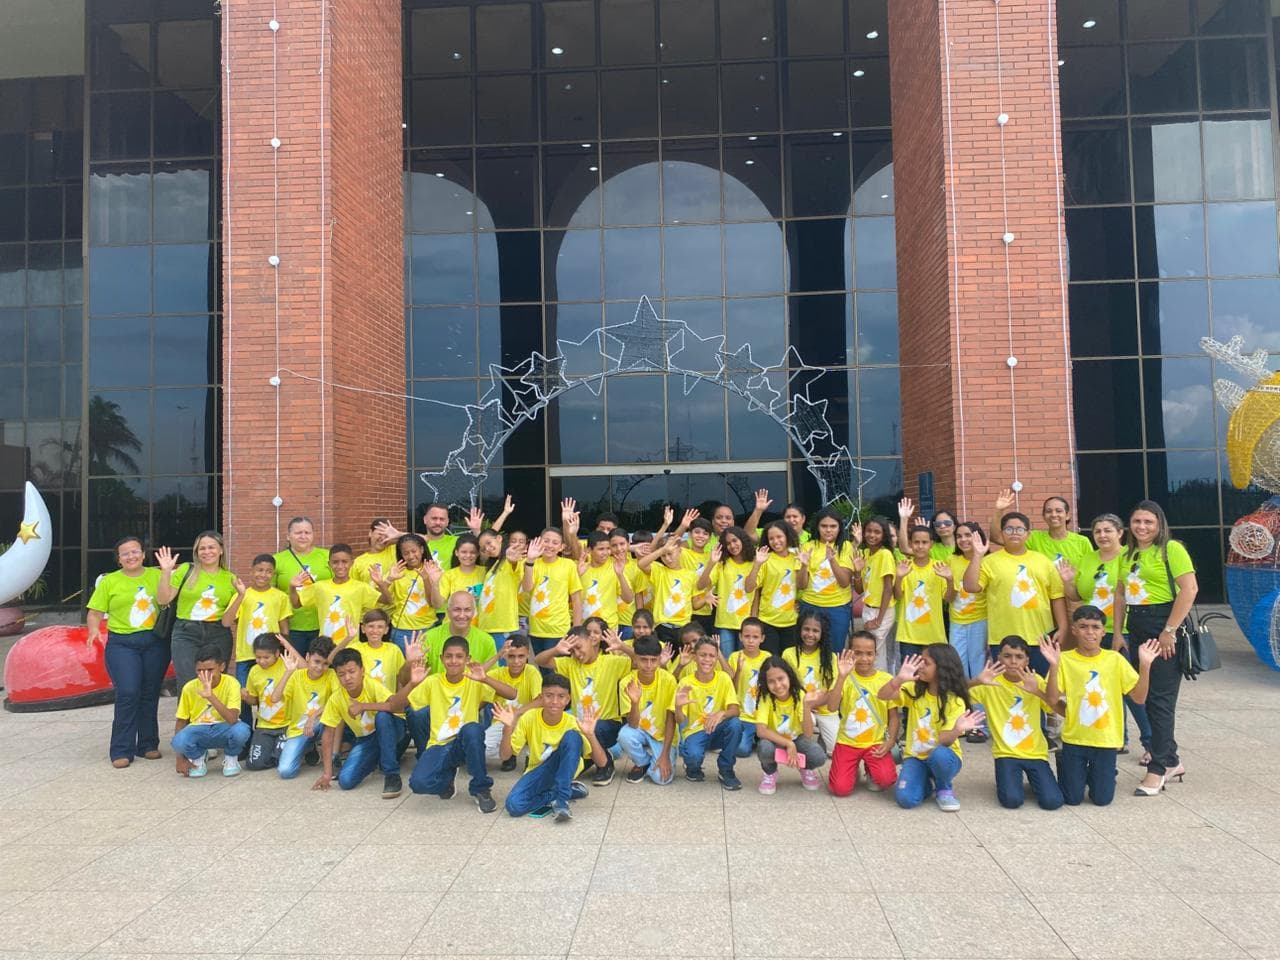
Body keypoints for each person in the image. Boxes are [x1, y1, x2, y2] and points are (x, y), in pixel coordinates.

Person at [1058, 513, 1153, 761]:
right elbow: (1077, 595)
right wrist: (1068, 582)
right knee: (1107, 688)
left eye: (1108, 530)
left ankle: (1151, 743)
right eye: (1098, 531)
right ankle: (1119, 738)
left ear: (1120, 533)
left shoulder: (1129, 557)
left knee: (1130, 691)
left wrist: (1120, 633)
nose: (1102, 535)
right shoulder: (1087, 559)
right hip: (1094, 632)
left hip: (1124, 631)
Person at [1118, 501, 1196, 796]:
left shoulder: (1172, 549)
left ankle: (1158, 767)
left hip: (1162, 625)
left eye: (1148, 522)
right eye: (1137, 521)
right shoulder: (1129, 554)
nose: (1142, 527)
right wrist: (1120, 632)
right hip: (1137, 627)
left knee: (1160, 700)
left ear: (1159, 524)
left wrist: (1169, 631)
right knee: (1146, 696)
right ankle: (1172, 759)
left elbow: (1189, 590)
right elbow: (1121, 593)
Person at [1042, 607, 1158, 805]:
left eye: (1095, 627)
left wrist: (1145, 666)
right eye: (1083, 627)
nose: (1090, 632)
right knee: (1072, 799)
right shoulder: (1065, 660)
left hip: (1105, 740)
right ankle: (1069, 766)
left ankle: (1100, 772)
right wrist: (1054, 666)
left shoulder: (1115, 659)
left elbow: (1139, 698)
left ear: (1104, 631)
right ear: (1074, 630)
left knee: (1102, 799)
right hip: (1075, 739)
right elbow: (1052, 699)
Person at [406, 636, 517, 814]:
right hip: (439, 744)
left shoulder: (474, 681)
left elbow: (512, 694)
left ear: (467, 659)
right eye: (449, 656)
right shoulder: (433, 681)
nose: (454, 661)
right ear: (442, 659)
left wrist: (485, 679)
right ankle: (447, 778)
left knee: (472, 729)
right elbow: (401, 704)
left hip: (466, 741)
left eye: (459, 656)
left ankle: (481, 789)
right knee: (418, 784)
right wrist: (412, 682)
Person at [86, 536, 169, 768]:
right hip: (122, 643)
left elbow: (167, 600)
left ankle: (148, 744)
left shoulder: (156, 574)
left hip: (155, 642)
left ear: (143, 554)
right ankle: (121, 749)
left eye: (135, 552)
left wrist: (166, 572)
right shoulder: (110, 581)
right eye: (125, 553)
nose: (131, 556)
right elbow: (94, 612)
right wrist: (93, 630)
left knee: (150, 692)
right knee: (128, 691)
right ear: (119, 559)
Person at [877, 645, 982, 811]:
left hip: (945, 756)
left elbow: (945, 741)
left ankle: (944, 787)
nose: (920, 666)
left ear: (942, 668)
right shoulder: (914, 688)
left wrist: (957, 730)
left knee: (939, 755)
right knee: (905, 799)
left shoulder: (955, 701)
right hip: (916, 757)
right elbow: (882, 695)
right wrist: (898, 680)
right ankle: (927, 783)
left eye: (926, 663)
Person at [962, 512, 1067, 675]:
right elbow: (970, 586)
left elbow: (1057, 596)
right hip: (1003, 641)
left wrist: (1063, 627)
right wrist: (977, 555)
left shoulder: (1043, 561)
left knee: (1040, 688)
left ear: (1028, 534)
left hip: (1040, 638)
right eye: (1009, 529)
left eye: (1019, 529)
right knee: (1007, 693)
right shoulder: (989, 561)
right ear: (1002, 533)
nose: (1014, 533)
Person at [968, 637, 1063, 810]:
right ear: (999, 658)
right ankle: (1013, 781)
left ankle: (1035, 781)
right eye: (1007, 656)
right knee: (1012, 800)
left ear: (1027, 660)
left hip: (1036, 754)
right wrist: (976, 681)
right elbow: (952, 694)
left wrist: (1038, 691)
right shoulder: (990, 682)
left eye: (1019, 657)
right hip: (1006, 754)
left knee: (1052, 802)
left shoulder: (1036, 681)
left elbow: (1060, 710)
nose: (1013, 661)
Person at [498, 675, 607, 822]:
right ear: (541, 697)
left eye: (561, 696)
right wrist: (507, 728)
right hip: (538, 771)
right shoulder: (529, 717)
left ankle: (562, 801)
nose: (554, 701)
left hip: (564, 768)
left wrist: (590, 734)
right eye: (549, 696)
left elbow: (601, 763)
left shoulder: (572, 722)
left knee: (573, 736)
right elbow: (505, 756)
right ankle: (561, 792)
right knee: (514, 806)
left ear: (568, 699)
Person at [313, 646, 418, 798]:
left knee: (382, 716)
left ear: (362, 670)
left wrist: (364, 706)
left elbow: (396, 706)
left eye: (352, 671)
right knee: (345, 781)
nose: (347, 678)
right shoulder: (336, 698)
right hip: (367, 739)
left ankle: (392, 775)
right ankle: (380, 757)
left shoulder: (371, 685)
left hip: (394, 729)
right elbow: (328, 734)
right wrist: (327, 774)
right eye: (341, 674)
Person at [534, 626, 634, 785]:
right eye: (572, 651)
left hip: (607, 723)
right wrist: (556, 650)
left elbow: (640, 661)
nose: (577, 654)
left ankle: (605, 764)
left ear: (592, 640)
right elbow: (539, 660)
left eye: (579, 648)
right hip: (578, 723)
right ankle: (584, 758)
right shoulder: (569, 663)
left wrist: (622, 647)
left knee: (593, 730)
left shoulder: (611, 662)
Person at [156, 532, 237, 692]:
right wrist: (166, 572)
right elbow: (163, 599)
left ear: (221, 550)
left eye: (211, 547)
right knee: (188, 684)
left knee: (216, 683)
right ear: (197, 552)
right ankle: (187, 718)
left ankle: (212, 718)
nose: (207, 552)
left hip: (218, 633)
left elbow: (230, 618)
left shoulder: (230, 578)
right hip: (186, 633)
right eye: (202, 548)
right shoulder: (187, 569)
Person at [824, 631, 898, 796]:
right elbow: (831, 707)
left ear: (876, 654)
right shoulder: (844, 677)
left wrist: (890, 741)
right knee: (840, 790)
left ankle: (871, 770)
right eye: (858, 653)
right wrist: (842, 677)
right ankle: (852, 770)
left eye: (869, 654)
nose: (864, 659)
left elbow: (893, 716)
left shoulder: (886, 679)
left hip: (875, 743)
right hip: (847, 742)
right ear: (850, 652)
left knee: (887, 780)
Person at [675, 636, 744, 790]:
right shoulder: (685, 682)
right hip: (695, 731)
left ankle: (726, 768)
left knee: (735, 724)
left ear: (717, 658)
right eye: (703, 655)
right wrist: (678, 707)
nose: (707, 659)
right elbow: (680, 720)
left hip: (717, 728)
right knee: (693, 756)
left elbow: (735, 709)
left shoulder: (724, 678)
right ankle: (692, 767)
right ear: (694, 657)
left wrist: (721, 714)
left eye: (712, 655)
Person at [171, 644, 251, 778]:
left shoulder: (232, 683)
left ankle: (231, 758)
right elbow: (181, 721)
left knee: (241, 731)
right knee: (178, 741)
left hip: (224, 727)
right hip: (199, 728)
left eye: (210, 670)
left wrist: (210, 696)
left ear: (222, 667)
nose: (205, 675)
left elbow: (232, 719)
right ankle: (198, 757)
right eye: (200, 671)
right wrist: (180, 758)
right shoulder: (189, 687)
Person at [291, 543, 387, 649]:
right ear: (329, 564)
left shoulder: (360, 587)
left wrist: (381, 583)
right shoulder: (320, 587)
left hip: (351, 645)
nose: (340, 566)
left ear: (352, 563)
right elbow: (296, 604)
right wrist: (292, 587)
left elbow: (387, 600)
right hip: (325, 647)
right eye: (335, 562)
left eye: (344, 562)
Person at [753, 655, 826, 794]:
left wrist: (806, 706)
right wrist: (788, 744)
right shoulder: (765, 697)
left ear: (789, 676)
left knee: (818, 756)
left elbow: (808, 734)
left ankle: (805, 768)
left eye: (781, 678)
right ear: (766, 683)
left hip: (796, 739)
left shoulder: (799, 694)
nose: (778, 685)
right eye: (771, 681)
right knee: (764, 747)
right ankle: (770, 772)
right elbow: (761, 731)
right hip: (774, 740)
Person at [222, 553, 293, 687]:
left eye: (269, 571)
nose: (263, 575)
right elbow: (226, 622)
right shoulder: (242, 595)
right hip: (246, 655)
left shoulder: (280, 597)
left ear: (273, 574)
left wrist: (284, 652)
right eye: (260, 570)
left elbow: (284, 628)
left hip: (271, 656)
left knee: (268, 694)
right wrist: (240, 596)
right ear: (252, 571)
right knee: (244, 695)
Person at [617, 635, 679, 784]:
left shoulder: (669, 680)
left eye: (653, 660)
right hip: (640, 729)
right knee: (624, 735)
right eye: (643, 660)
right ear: (635, 660)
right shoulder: (627, 682)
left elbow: (671, 720)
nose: (649, 665)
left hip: (663, 735)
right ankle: (643, 762)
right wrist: (634, 703)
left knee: (661, 779)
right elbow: (632, 724)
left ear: (659, 659)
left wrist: (664, 756)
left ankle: (662, 758)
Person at [276, 637, 338, 779]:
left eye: (325, 664)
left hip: (322, 723)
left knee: (336, 716)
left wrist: (314, 715)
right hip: (299, 729)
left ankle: (333, 758)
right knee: (285, 771)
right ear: (307, 657)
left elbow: (337, 700)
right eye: (317, 661)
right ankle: (310, 747)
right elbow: (275, 698)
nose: (320, 667)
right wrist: (288, 672)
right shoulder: (297, 676)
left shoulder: (331, 675)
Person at [893, 525, 955, 665]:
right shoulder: (904, 566)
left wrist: (950, 580)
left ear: (931, 544)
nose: (920, 546)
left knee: (936, 677)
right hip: (909, 636)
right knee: (910, 677)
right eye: (916, 542)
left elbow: (949, 598)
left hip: (934, 635)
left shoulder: (939, 566)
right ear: (910, 544)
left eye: (924, 542)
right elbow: (897, 596)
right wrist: (899, 578)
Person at [797, 508, 858, 650]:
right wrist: (804, 566)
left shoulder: (846, 547)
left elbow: (844, 583)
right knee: (808, 649)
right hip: (810, 605)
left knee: (834, 650)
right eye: (824, 526)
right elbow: (801, 585)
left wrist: (832, 560)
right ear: (817, 527)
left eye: (833, 526)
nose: (828, 530)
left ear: (839, 528)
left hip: (837, 608)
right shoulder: (807, 547)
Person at [272, 516, 331, 657]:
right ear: (288, 536)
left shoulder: (327, 556)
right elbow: (271, 594)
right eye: (298, 533)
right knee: (294, 669)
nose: (303, 536)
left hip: (324, 624)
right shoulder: (277, 560)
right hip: (292, 627)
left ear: (313, 535)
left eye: (307, 532)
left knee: (322, 668)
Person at [992, 490, 1093, 571]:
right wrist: (999, 510)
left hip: (1072, 595)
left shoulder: (1082, 542)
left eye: (1059, 511)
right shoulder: (1033, 538)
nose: (1054, 515)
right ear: (1044, 516)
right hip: (1043, 595)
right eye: (1049, 511)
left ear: (1067, 515)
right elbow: (996, 537)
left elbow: (1089, 571)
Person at [638, 513, 701, 641]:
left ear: (680, 551)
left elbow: (695, 602)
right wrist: (662, 550)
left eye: (670, 554)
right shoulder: (659, 570)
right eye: (664, 556)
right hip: (662, 627)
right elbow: (641, 563)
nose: (667, 558)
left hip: (684, 628)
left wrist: (706, 598)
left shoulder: (691, 575)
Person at [783, 611, 839, 754]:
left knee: (835, 751)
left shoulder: (830, 657)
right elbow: (785, 688)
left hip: (825, 709)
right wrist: (805, 706)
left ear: (822, 634)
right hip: (799, 708)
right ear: (800, 630)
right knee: (806, 742)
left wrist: (812, 704)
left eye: (815, 631)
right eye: (806, 629)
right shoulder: (788, 654)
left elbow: (832, 691)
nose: (810, 634)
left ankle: (823, 740)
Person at [483, 634, 543, 769]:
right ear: (505, 656)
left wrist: (517, 714)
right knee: (483, 750)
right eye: (511, 656)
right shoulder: (499, 673)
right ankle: (509, 752)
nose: (516, 661)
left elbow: (540, 700)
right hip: (503, 722)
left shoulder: (531, 672)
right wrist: (498, 655)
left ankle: (530, 754)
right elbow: (476, 674)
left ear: (528, 654)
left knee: (540, 716)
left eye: (521, 656)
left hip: (526, 719)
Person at [744, 520, 802, 654]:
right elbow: (748, 587)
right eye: (771, 538)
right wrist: (757, 564)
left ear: (787, 536)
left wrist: (804, 565)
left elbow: (802, 585)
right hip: (767, 621)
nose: (776, 541)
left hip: (791, 621)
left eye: (779, 537)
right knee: (771, 664)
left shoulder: (797, 556)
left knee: (788, 665)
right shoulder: (765, 558)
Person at [523, 528, 583, 655]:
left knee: (555, 671)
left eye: (555, 543)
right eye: (546, 541)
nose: (550, 545)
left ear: (561, 547)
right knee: (543, 669)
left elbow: (576, 599)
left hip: (559, 629)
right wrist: (530, 562)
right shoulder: (532, 563)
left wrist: (576, 628)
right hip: (536, 629)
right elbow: (527, 588)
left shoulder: (568, 565)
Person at [698, 527, 756, 657]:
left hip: (746, 623)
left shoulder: (755, 562)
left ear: (742, 539)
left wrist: (754, 618)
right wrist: (711, 563)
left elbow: (753, 590)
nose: (732, 546)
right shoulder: (722, 563)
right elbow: (701, 585)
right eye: (728, 543)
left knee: (744, 662)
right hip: (724, 622)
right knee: (727, 661)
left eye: (735, 540)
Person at [381, 533, 439, 650]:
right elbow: (380, 599)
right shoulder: (397, 570)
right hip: (402, 629)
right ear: (401, 555)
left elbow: (433, 603)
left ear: (422, 549)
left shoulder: (433, 569)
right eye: (406, 553)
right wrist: (389, 579)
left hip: (427, 628)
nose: (411, 556)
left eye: (414, 551)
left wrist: (426, 578)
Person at [947, 522, 989, 680]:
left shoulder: (987, 561)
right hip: (956, 620)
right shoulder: (951, 560)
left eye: (968, 535)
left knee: (978, 663)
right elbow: (948, 596)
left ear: (977, 537)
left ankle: (979, 704)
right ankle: (962, 701)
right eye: (959, 536)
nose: (963, 539)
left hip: (980, 620)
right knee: (957, 664)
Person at [242, 634, 289, 770]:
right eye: (258, 657)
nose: (262, 661)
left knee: (284, 761)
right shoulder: (254, 671)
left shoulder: (287, 665)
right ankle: (274, 751)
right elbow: (254, 700)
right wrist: (246, 697)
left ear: (277, 653)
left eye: (266, 657)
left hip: (287, 724)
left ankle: (302, 749)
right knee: (253, 764)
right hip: (265, 726)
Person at [420, 591, 497, 675]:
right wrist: (410, 662)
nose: (462, 615)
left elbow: (492, 678)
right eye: (457, 610)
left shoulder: (487, 641)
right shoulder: (428, 638)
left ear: (474, 612)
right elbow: (415, 678)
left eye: (467, 610)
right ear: (448, 612)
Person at [856, 516, 897, 671]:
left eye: (877, 532)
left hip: (882, 611)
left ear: (884, 535)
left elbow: (888, 588)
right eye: (869, 531)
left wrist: (879, 620)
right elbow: (859, 589)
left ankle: (878, 687)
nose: (872, 535)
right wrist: (857, 572)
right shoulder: (866, 553)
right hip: (868, 608)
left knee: (873, 652)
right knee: (877, 651)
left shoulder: (885, 554)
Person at [727, 617, 770, 759]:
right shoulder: (735, 657)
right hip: (744, 715)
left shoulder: (767, 657)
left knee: (769, 748)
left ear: (762, 638)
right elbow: (732, 689)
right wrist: (738, 670)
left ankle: (758, 737)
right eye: (747, 636)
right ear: (740, 637)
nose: (751, 641)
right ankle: (751, 738)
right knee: (741, 750)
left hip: (763, 717)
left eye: (755, 637)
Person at [578, 531, 636, 631]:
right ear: (589, 550)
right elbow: (568, 599)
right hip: (585, 628)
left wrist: (620, 575)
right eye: (601, 549)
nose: (606, 553)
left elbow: (629, 599)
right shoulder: (581, 568)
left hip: (609, 628)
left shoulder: (615, 566)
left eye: (608, 548)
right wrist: (577, 575)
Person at [477, 529, 522, 647]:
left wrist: (512, 561)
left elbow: (516, 567)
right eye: (483, 547)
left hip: (502, 626)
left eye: (489, 543)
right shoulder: (493, 564)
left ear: (499, 538)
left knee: (501, 665)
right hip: (486, 626)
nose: (487, 548)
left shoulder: (511, 561)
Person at [353, 608, 406, 689]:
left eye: (380, 627)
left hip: (388, 700)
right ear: (363, 629)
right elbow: (331, 660)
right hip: (364, 700)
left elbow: (400, 679)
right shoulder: (356, 648)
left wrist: (398, 699)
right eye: (371, 626)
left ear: (386, 630)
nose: (375, 630)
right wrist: (348, 638)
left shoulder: (394, 650)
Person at [610, 529, 648, 640]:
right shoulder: (605, 563)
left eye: (622, 544)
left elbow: (638, 596)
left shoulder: (636, 566)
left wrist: (639, 621)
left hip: (628, 622)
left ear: (628, 544)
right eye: (614, 545)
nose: (619, 549)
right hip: (609, 621)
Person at [681, 516, 717, 636]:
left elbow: (702, 585)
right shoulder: (683, 552)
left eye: (705, 533)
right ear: (690, 534)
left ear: (710, 537)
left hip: (704, 612)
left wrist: (711, 563)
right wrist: (683, 526)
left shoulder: (713, 557)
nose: (700, 536)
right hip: (683, 611)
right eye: (696, 532)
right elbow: (669, 545)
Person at [351, 518, 398, 586]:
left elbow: (418, 539)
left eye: (386, 535)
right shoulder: (358, 562)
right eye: (380, 533)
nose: (383, 538)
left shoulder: (396, 550)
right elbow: (354, 588)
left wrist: (398, 534)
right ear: (370, 533)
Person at [421, 502, 459, 569]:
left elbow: (481, 552)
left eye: (442, 519)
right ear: (425, 519)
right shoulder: (415, 543)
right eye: (434, 518)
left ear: (447, 522)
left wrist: (476, 530)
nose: (438, 523)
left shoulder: (458, 542)